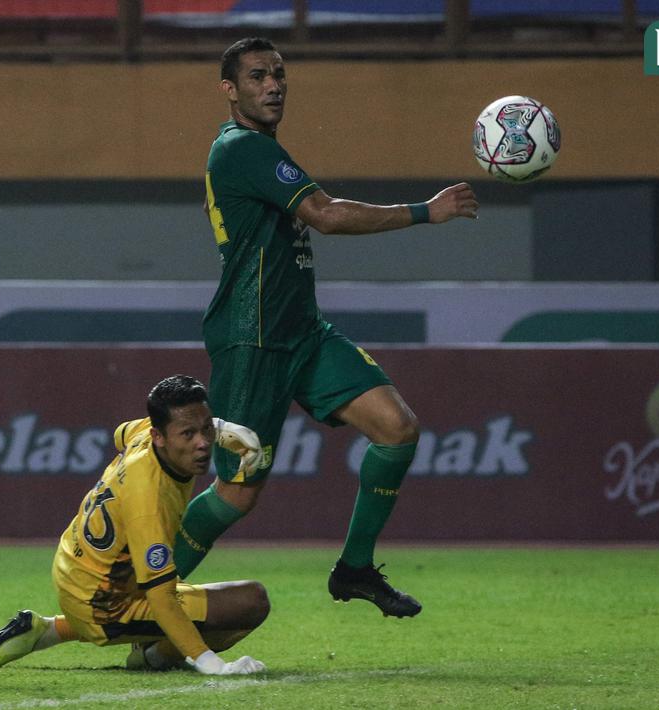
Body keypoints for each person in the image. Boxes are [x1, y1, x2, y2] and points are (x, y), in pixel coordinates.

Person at [174, 38, 480, 618]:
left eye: (280, 75)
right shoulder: (243, 150)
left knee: (397, 428)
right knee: (237, 494)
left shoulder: (262, 149)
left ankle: (355, 569)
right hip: (253, 337)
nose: (274, 85)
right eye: (259, 76)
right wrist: (425, 211)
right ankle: (138, 596)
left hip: (302, 332)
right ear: (229, 90)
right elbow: (326, 214)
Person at [0, 375, 270, 675]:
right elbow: (161, 598)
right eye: (188, 434)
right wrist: (214, 665)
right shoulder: (149, 499)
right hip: (102, 604)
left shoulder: (143, 436)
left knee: (175, 588)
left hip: (76, 570)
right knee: (251, 603)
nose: (204, 444)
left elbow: (120, 432)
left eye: (207, 429)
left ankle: (47, 631)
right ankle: (153, 658)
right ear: (159, 437)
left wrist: (224, 430)